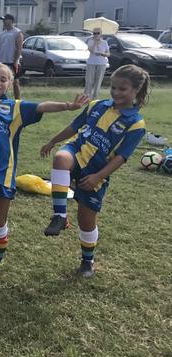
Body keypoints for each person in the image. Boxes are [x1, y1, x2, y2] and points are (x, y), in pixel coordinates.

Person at [0, 63, 89, 283]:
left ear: (10, 83)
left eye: (3, 79)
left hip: (4, 171)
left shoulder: (14, 107)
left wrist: (68, 105)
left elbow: (41, 106)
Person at [42, 65, 149, 277]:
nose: (116, 92)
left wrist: (98, 177)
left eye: (123, 89)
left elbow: (121, 157)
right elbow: (74, 127)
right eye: (114, 87)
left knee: (86, 220)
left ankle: (87, 261)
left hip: (96, 172)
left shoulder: (136, 124)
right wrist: (53, 141)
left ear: (136, 90)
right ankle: (60, 216)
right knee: (61, 159)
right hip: (76, 152)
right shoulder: (96, 106)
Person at [0, 14, 23, 99]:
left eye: (5, 19)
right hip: (2, 61)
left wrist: (16, 60)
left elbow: (19, 48)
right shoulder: (2, 34)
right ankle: (2, 98)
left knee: (15, 82)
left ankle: (18, 100)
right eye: (3, 20)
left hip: (12, 61)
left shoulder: (17, 32)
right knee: (3, 81)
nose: (3, 21)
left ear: (11, 21)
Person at [84, 27, 110, 100]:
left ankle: (95, 97)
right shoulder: (90, 41)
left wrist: (103, 54)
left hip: (101, 63)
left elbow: (108, 53)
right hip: (91, 63)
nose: (96, 35)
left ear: (101, 34)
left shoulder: (105, 42)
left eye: (97, 33)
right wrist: (95, 43)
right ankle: (86, 97)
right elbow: (92, 51)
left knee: (98, 81)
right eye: (94, 33)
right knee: (89, 80)